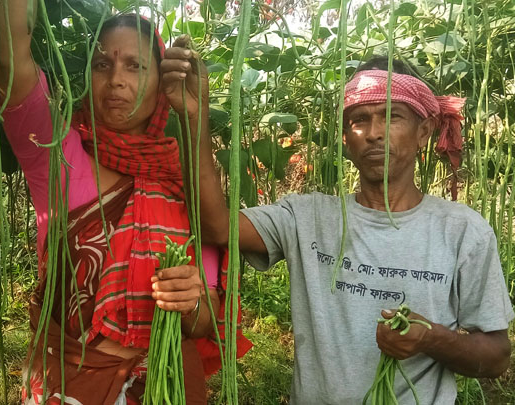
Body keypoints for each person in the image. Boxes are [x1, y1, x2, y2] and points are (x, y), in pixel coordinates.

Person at [192, 56, 513, 404]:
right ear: (346, 139)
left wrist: (430, 338)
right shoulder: (307, 217)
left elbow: (496, 356)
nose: (373, 133)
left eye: (392, 116)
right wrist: (196, 116)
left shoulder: (463, 231)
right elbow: (216, 226)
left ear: (424, 132)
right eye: (359, 120)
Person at [0, 2, 250, 404]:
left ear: (162, 83)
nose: (115, 80)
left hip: (167, 390)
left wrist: (191, 302)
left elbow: (205, 320)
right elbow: (11, 63)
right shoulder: (55, 155)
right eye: (101, 66)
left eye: (135, 66)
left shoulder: (188, 189)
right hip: (70, 388)